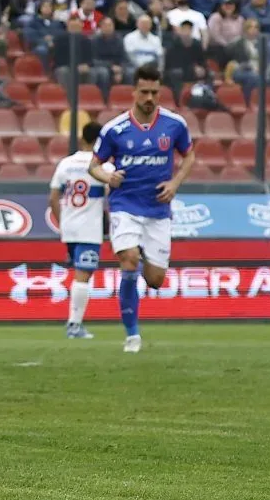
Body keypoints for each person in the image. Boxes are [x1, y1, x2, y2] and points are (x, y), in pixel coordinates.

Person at [89, 64, 196, 353]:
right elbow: (94, 166)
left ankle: (144, 254)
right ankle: (132, 335)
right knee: (128, 259)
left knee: (156, 280)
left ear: (160, 93)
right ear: (134, 92)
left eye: (154, 92)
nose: (149, 97)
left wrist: (175, 183)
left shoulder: (175, 125)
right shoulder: (115, 129)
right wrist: (108, 177)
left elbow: (189, 156)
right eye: (144, 92)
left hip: (158, 211)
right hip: (125, 205)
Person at [48, 121, 108, 340]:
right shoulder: (103, 166)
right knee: (83, 275)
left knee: (80, 273)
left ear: (82, 138)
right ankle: (74, 325)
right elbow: (111, 200)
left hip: (69, 227)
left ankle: (75, 323)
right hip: (89, 228)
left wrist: (62, 221)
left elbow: (53, 197)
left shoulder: (65, 164)